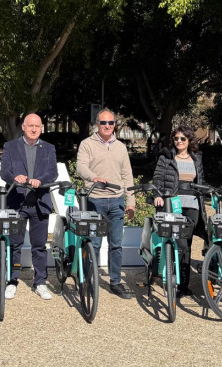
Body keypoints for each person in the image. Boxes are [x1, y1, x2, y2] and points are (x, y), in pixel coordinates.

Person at [76, 108, 136, 299]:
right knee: (94, 244)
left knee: (116, 245)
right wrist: (93, 177)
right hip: (95, 200)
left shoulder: (120, 147)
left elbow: (127, 175)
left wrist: (131, 201)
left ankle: (115, 282)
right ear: (97, 124)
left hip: (117, 201)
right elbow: (81, 167)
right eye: (103, 123)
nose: (107, 126)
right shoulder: (87, 144)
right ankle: (89, 280)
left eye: (111, 123)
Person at [0, 113, 57, 301]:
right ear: (23, 126)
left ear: (41, 128)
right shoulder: (11, 146)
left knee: (39, 246)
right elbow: (4, 171)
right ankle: (12, 281)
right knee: (14, 245)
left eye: (37, 126)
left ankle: (40, 282)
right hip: (17, 202)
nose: (34, 129)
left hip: (40, 203)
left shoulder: (49, 148)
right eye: (30, 125)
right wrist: (14, 178)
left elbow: (53, 173)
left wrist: (41, 180)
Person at [152, 125, 208, 298]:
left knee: (186, 244)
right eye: (176, 138)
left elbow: (201, 180)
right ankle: (173, 279)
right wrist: (157, 194)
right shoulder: (166, 157)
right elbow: (157, 178)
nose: (179, 142)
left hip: (192, 204)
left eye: (183, 139)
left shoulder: (196, 158)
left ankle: (184, 284)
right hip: (172, 203)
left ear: (189, 140)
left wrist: (208, 191)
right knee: (179, 242)